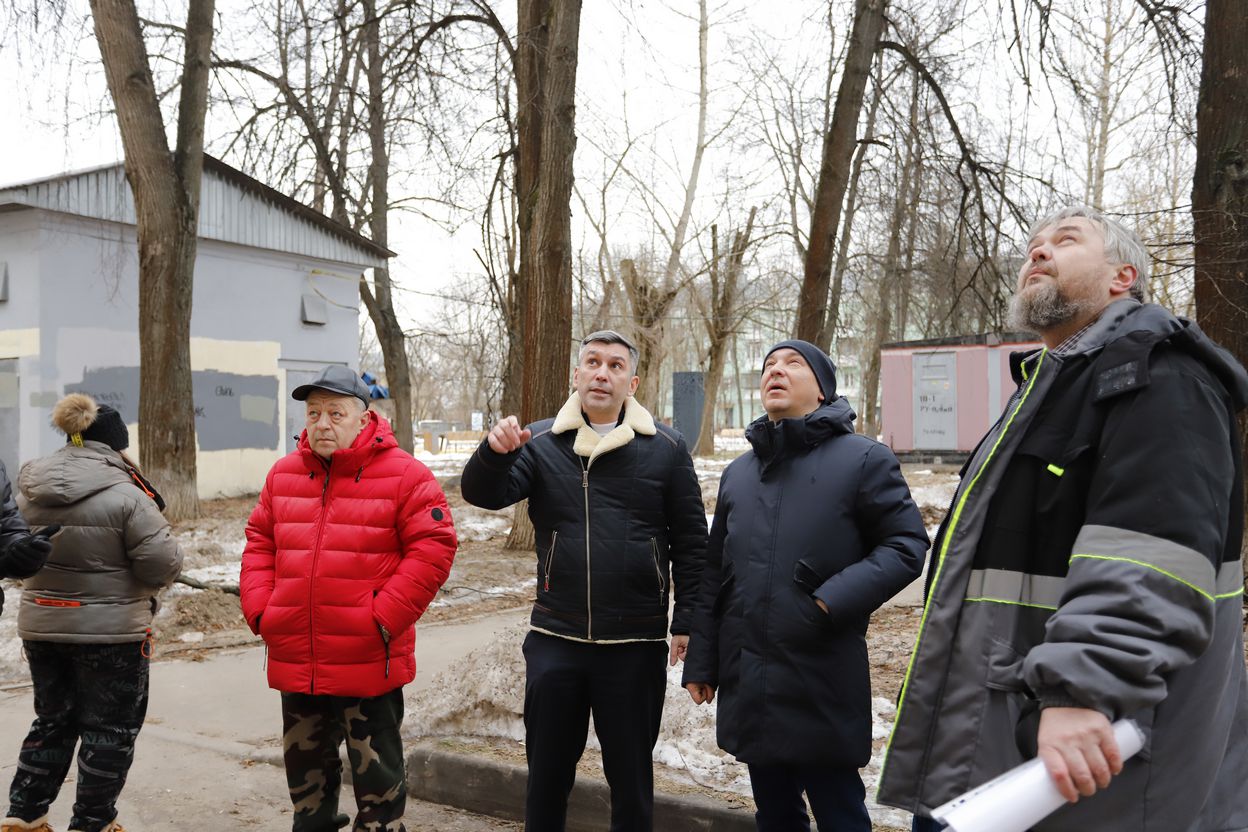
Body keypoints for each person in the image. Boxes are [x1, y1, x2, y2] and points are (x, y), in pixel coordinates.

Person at [878, 206, 1248, 832]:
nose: (1037, 253)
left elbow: (1150, 553)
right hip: (1009, 739)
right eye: (1032, 246)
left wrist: (1085, 689)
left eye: (1066, 241)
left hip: (1090, 745)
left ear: (1122, 276)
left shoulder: (1160, 372)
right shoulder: (1056, 383)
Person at [460, 330, 707, 832]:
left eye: (615, 366)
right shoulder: (542, 441)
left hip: (634, 644)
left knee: (632, 778)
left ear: (631, 382)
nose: (602, 372)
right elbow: (483, 495)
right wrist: (493, 453)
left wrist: (688, 620)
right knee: (546, 777)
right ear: (577, 375)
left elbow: (691, 541)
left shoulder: (666, 448)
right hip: (556, 640)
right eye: (592, 362)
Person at [681, 340, 928, 832]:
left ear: (822, 390)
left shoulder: (863, 459)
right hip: (749, 675)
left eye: (794, 364)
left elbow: (906, 546)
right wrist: (703, 660)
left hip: (820, 672)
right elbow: (716, 574)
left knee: (840, 814)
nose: (777, 370)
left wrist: (827, 601)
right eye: (770, 364)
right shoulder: (738, 474)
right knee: (775, 815)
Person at [240, 365, 456, 832]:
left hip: (366, 659)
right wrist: (262, 610)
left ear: (364, 418)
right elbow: (259, 540)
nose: (321, 423)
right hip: (299, 654)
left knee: (377, 780)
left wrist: (381, 618)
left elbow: (434, 546)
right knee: (307, 780)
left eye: (335, 412)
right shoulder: (283, 475)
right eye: (313, 412)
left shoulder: (405, 476)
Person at [2, 394, 183, 832]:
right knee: (110, 731)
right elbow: (162, 563)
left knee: (52, 721)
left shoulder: (29, 488)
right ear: (115, 444)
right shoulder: (128, 495)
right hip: (113, 633)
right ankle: (93, 822)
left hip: (43, 627)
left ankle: (25, 816)